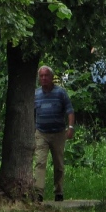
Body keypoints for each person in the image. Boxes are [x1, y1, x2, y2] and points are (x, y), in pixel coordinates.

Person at [33, 66, 75, 202]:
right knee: (39, 162)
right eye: (41, 76)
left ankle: (59, 191)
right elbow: (31, 113)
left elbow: (70, 111)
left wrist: (70, 127)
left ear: (51, 77)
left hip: (58, 133)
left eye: (46, 76)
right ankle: (38, 192)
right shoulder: (36, 94)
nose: (44, 78)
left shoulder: (60, 93)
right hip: (41, 133)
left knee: (58, 164)